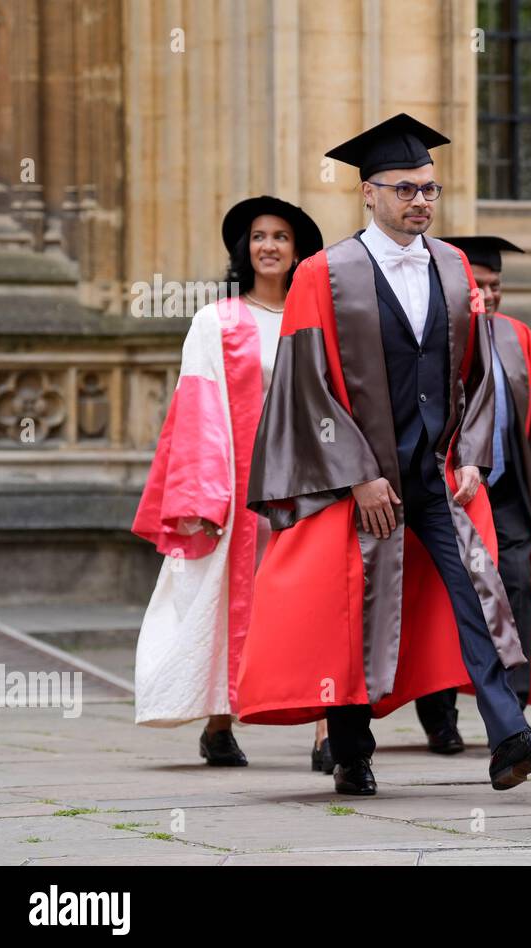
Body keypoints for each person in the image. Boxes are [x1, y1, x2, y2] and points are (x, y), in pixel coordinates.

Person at [235, 114, 531, 796]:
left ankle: (507, 735)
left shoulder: (452, 266)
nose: (420, 201)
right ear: (369, 193)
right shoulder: (322, 273)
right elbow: (308, 387)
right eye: (404, 189)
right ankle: (352, 752)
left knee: (473, 591)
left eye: (430, 189)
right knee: (354, 609)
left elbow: (479, 368)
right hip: (357, 476)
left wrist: (472, 451)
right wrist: (357, 475)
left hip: (435, 471)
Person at [132, 196, 326, 768]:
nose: (269, 246)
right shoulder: (216, 320)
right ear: (245, 249)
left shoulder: (318, 318)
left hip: (309, 485)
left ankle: (325, 730)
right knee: (223, 602)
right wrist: (201, 494)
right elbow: (195, 408)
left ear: (298, 251)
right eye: (259, 236)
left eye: (281, 237)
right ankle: (220, 723)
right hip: (238, 486)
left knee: (313, 604)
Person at [414, 235, 531, 754]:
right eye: (480, 284)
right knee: (452, 600)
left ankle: (513, 714)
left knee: (516, 589)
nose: (489, 294)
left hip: (505, 488)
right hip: (453, 489)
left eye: (496, 285)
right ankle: (441, 717)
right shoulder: (436, 334)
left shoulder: (518, 335)